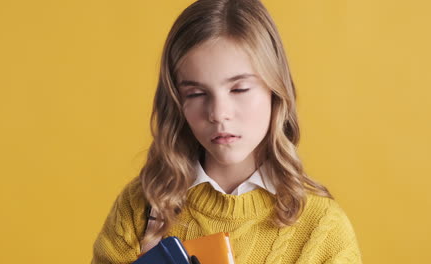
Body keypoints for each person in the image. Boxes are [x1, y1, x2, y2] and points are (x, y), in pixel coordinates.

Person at [91, 0, 362, 263]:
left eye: (239, 89)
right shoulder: (140, 207)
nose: (219, 114)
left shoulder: (323, 230)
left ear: (275, 89)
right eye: (196, 93)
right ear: (176, 102)